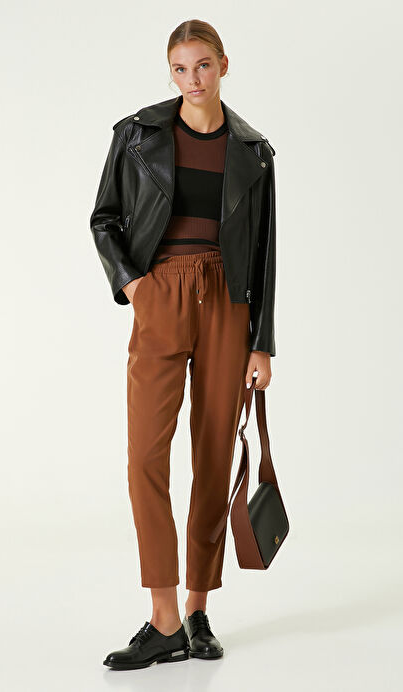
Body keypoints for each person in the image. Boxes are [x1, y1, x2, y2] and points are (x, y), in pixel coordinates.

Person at [89, 19, 277, 670]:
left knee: (214, 452)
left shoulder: (253, 151)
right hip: (161, 294)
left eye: (202, 65)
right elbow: (104, 217)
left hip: (228, 301)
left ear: (223, 65)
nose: (191, 79)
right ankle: (162, 616)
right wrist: (135, 285)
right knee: (146, 454)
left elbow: (264, 253)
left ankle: (197, 609)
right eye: (179, 68)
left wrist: (261, 342)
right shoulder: (137, 134)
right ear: (169, 72)